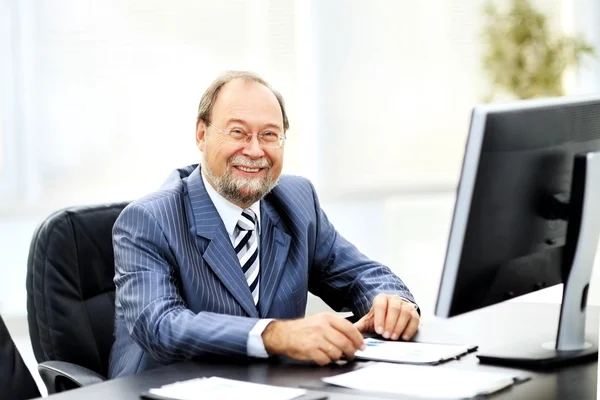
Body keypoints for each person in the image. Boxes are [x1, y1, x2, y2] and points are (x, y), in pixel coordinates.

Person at [108, 71, 420, 378]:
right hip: (168, 388)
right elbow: (160, 326)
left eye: (269, 135)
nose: (255, 150)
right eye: (238, 132)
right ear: (202, 135)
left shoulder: (297, 200)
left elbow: (359, 275)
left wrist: (390, 303)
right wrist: (275, 335)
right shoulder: (149, 220)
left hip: (272, 388)